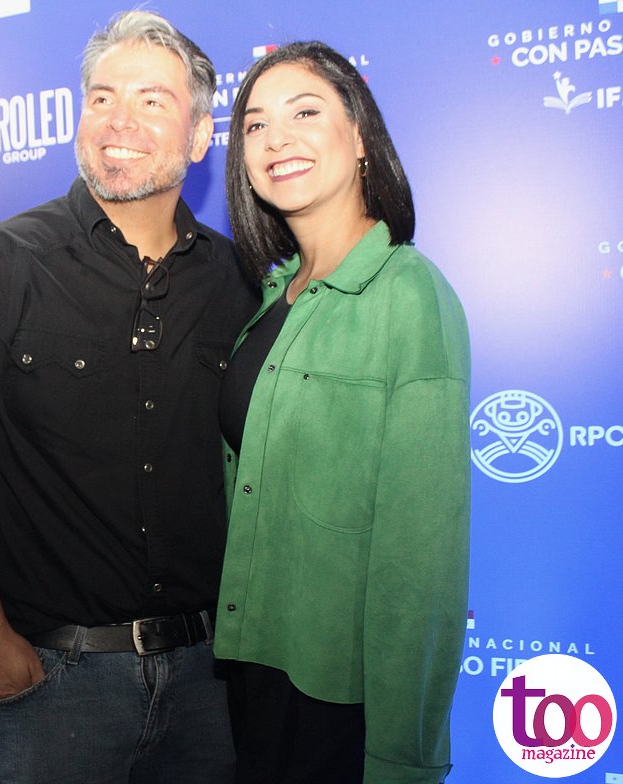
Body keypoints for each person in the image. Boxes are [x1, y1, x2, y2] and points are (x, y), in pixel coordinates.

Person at [0, 11, 257, 783]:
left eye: (151, 100)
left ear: (199, 137)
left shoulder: (238, 280)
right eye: (102, 97)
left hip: (211, 680)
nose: (119, 120)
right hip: (53, 685)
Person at [213, 41, 471, 783]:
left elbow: (421, 562)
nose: (276, 139)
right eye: (255, 125)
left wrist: (401, 758)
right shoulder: (273, 297)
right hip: (251, 673)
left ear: (359, 136)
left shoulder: (409, 295)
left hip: (340, 702)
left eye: (304, 112)